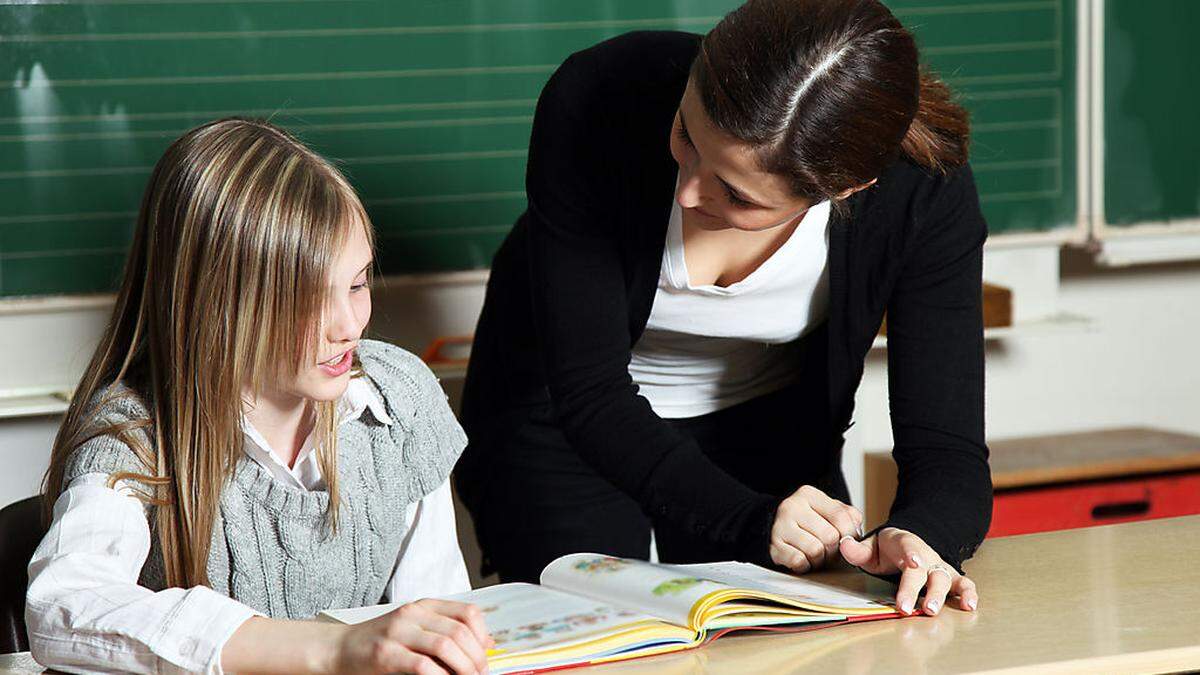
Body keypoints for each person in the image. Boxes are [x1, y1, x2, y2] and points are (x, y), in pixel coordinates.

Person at [456, 0, 990, 618]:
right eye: (686, 133)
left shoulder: (924, 192)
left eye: (735, 193)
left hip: (768, 429)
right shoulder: (605, 95)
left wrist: (924, 535)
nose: (687, 190)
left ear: (844, 189)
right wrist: (748, 519)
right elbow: (589, 393)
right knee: (591, 637)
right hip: (562, 418)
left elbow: (946, 447)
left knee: (802, 640)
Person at [27, 118, 492, 674]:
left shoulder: (398, 401)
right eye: (308, 298)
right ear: (221, 302)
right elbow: (63, 606)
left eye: (359, 283)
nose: (349, 325)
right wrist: (334, 651)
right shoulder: (134, 434)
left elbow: (435, 612)